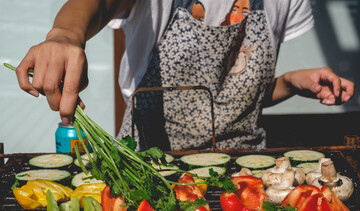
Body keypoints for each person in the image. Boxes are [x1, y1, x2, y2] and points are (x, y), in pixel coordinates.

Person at [16, 0, 354, 151]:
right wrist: (64, 34)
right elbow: (98, 3)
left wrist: (290, 82)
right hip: (150, 166)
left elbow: (232, 98)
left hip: (242, 175)